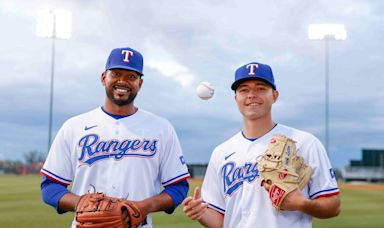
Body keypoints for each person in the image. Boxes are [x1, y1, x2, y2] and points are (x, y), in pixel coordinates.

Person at [40, 47, 190, 228]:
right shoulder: (74, 127)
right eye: (116, 74)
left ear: (140, 84)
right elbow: (50, 187)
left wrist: (143, 207)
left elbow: (179, 187)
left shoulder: (162, 128)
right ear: (104, 78)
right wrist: (81, 203)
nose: (122, 81)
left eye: (131, 77)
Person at [183, 62, 341, 227]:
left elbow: (333, 206)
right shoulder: (221, 152)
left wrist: (301, 203)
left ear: (275, 95)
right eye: (244, 89)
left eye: (260, 88)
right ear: (236, 98)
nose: (252, 94)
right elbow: (221, 221)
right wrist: (200, 213)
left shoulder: (304, 143)